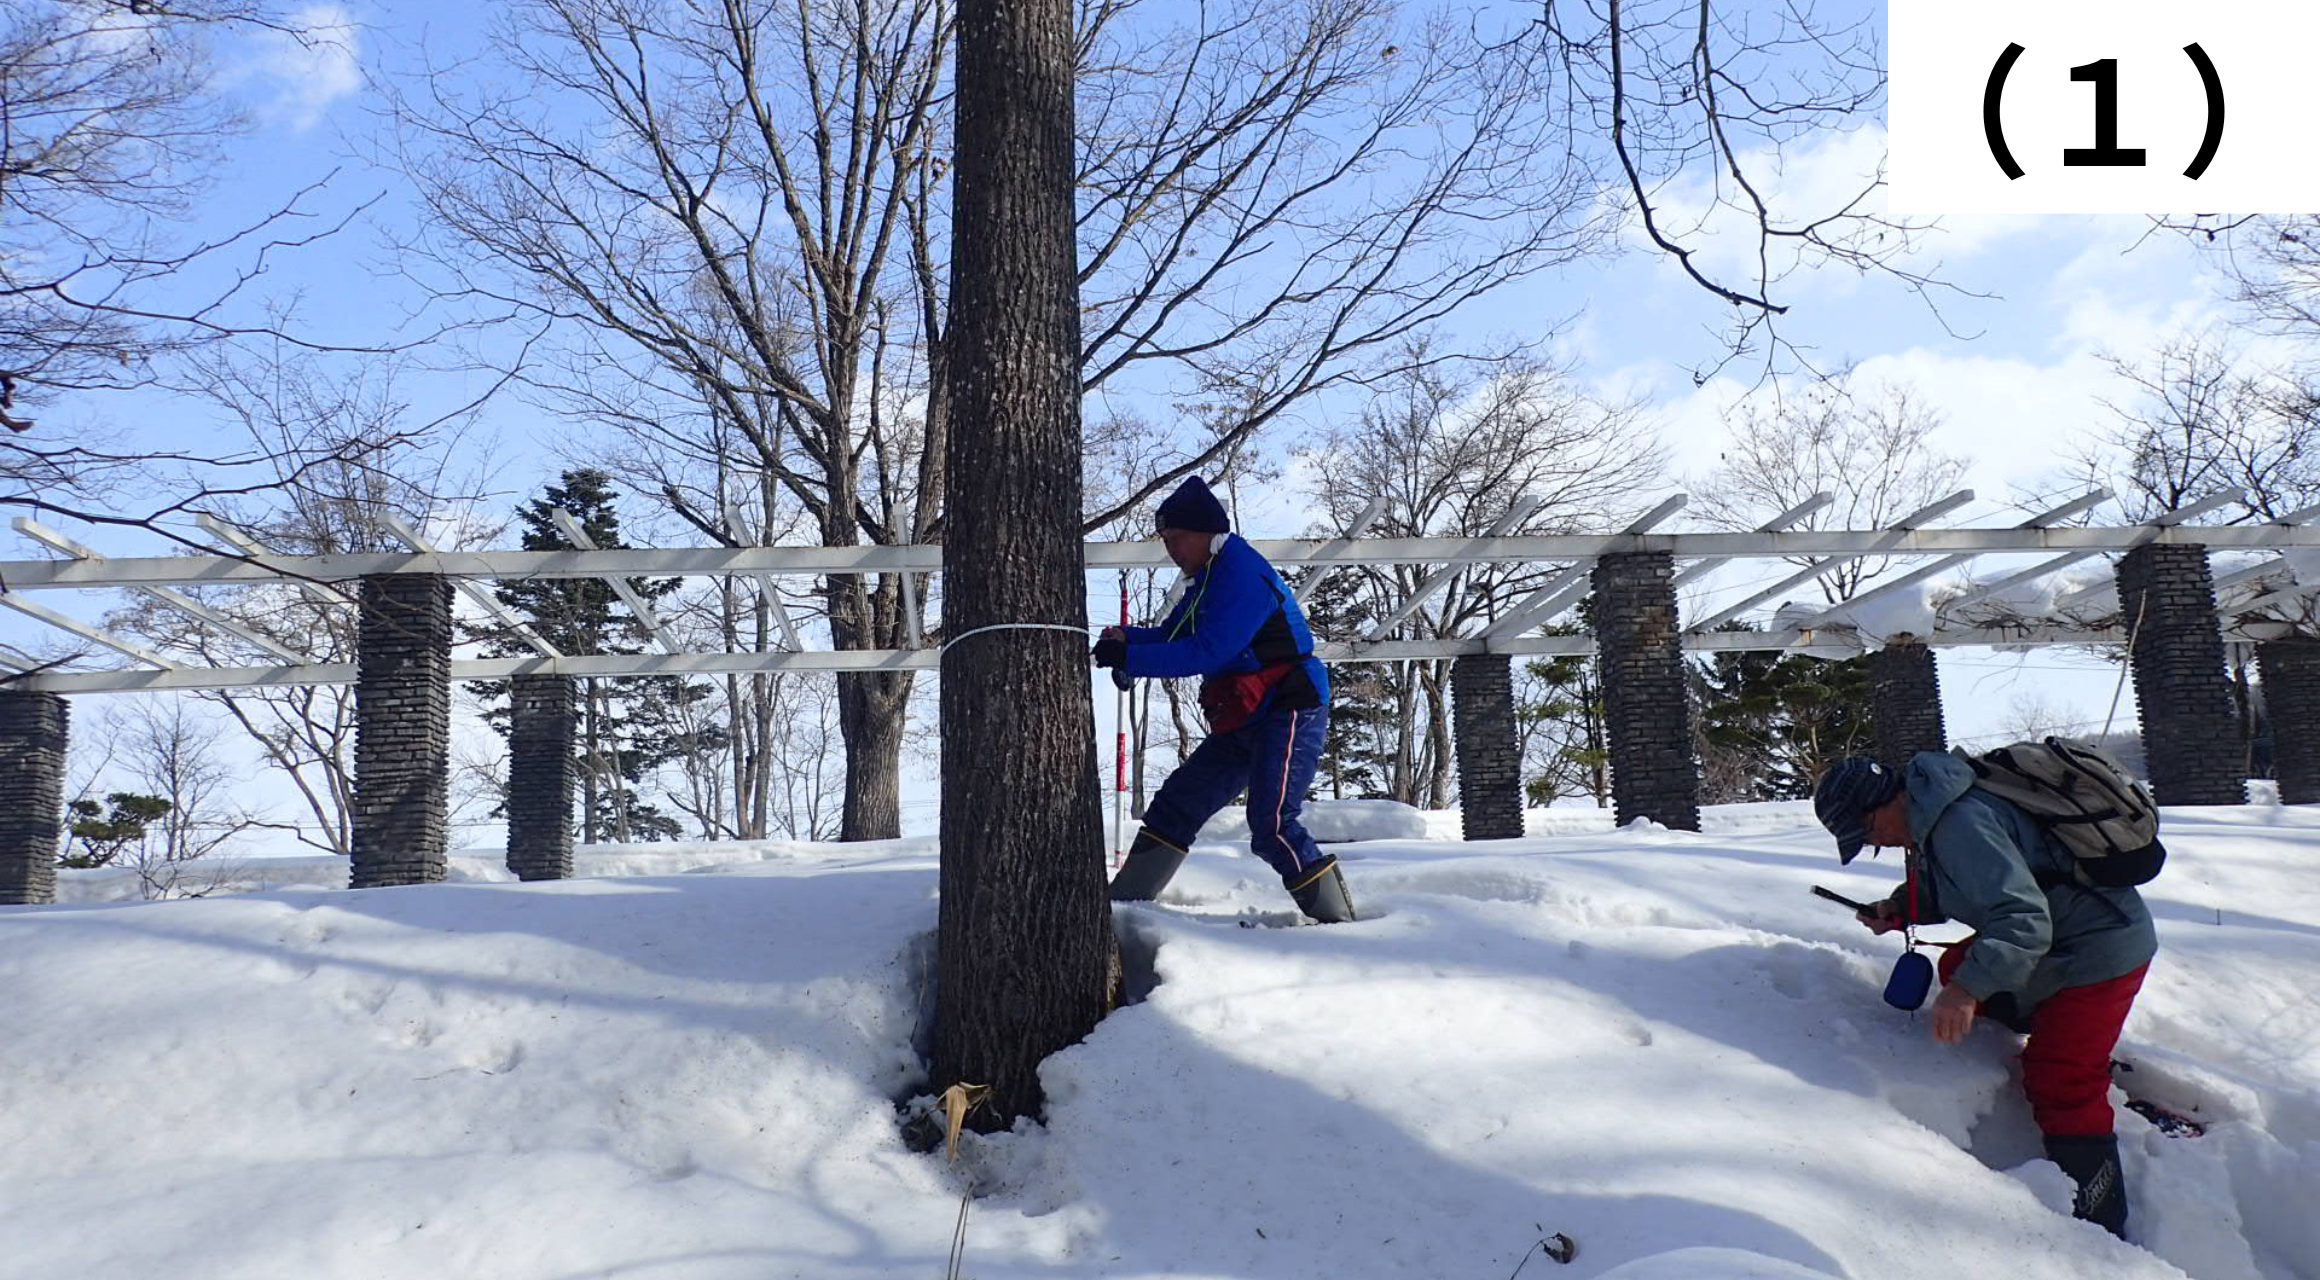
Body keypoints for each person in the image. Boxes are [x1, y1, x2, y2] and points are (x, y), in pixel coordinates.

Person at [1813, 753, 2157, 1238]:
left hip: (2099, 948)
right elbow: (1957, 887)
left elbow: (2024, 922)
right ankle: (2078, 1040)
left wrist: (1968, 992)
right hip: (2059, 943)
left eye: (1867, 832)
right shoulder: (1929, 815)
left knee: (2059, 1078)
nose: (1876, 843)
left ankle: (2102, 1223)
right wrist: (1900, 907)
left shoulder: (1959, 823)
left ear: (1882, 802)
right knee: (1957, 965)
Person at [1093, 476, 1354, 923]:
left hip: (1290, 708)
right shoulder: (1206, 577)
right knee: (1177, 803)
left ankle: (1341, 926)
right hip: (1243, 716)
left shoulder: (1241, 574)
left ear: (1202, 534)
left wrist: (1131, 658)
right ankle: (1120, 911)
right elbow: (1175, 634)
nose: (1170, 550)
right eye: (1165, 541)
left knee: (1272, 824)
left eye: (1175, 539)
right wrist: (1127, 640)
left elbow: (1209, 650)